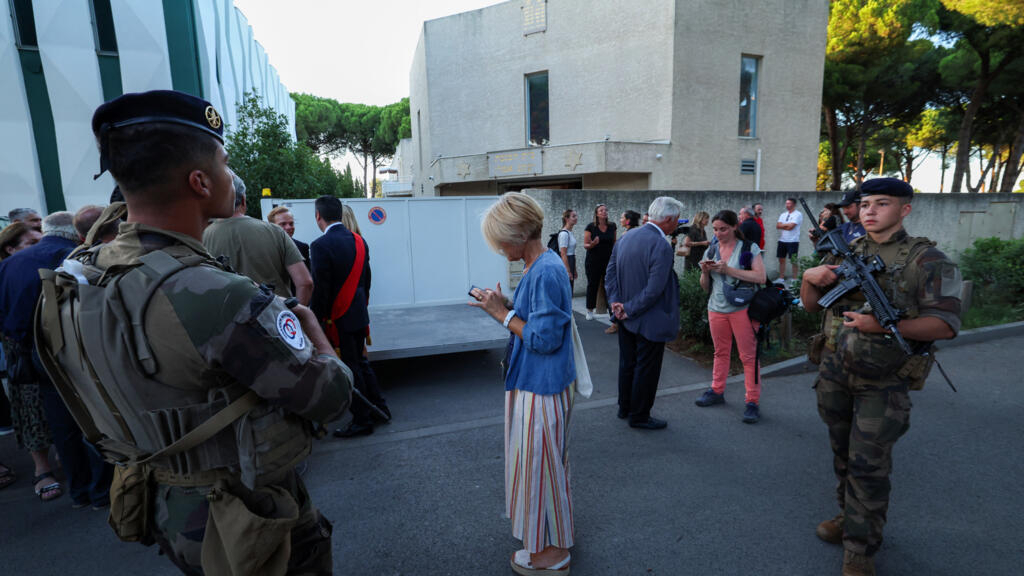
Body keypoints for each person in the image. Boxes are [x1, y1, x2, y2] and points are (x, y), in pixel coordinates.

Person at [35, 90, 353, 575]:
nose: (230, 175)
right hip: (248, 516)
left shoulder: (78, 277)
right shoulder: (216, 294)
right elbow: (330, 397)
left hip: (162, 505)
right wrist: (314, 334)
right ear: (200, 181)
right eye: (224, 163)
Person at [800, 178, 962, 576]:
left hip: (883, 382)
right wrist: (809, 278)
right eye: (866, 203)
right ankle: (847, 518)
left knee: (868, 466)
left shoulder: (928, 260)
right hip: (835, 373)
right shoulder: (850, 249)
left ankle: (861, 549)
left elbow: (945, 325)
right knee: (842, 456)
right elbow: (812, 307)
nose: (870, 210)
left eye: (882, 204)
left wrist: (886, 327)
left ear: (904, 209)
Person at [468, 192, 575, 575]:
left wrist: (501, 313)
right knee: (542, 467)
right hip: (536, 383)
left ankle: (553, 554)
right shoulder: (539, 263)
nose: (497, 247)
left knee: (541, 469)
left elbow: (545, 339)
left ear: (518, 234)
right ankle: (547, 542)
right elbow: (537, 320)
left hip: (540, 386)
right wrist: (506, 305)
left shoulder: (544, 269)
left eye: (499, 239)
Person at [311, 196, 390, 438]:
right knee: (362, 364)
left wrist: (317, 320)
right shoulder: (359, 241)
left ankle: (362, 420)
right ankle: (379, 408)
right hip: (357, 313)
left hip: (337, 319)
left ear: (318, 217)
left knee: (350, 367)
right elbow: (367, 281)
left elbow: (321, 290)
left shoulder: (320, 246)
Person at [605, 196, 682, 430]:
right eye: (677, 220)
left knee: (627, 363)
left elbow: (610, 275)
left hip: (625, 317)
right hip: (648, 317)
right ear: (668, 219)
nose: (678, 224)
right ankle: (639, 415)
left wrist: (616, 304)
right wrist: (627, 308)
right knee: (646, 369)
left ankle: (625, 407)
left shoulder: (627, 237)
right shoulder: (661, 245)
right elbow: (655, 289)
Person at [693, 210, 767, 423]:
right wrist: (705, 272)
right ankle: (716, 391)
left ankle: (752, 401)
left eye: (723, 229)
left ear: (735, 226)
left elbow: (760, 277)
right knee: (720, 352)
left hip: (742, 309)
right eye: (715, 229)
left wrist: (728, 270)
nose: (718, 233)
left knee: (748, 357)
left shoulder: (748, 247)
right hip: (716, 308)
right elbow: (705, 286)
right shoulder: (712, 248)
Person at [203, 175, 313, 304]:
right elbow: (305, 283)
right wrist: (295, 317)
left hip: (227, 319)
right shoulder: (276, 232)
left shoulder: (201, 238)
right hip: (275, 317)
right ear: (243, 200)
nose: (288, 227)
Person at [582, 203, 616, 321]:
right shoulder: (591, 227)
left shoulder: (612, 226)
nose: (604, 212)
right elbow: (585, 245)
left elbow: (614, 243)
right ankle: (589, 310)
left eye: (606, 210)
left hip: (608, 261)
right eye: (601, 210)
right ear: (596, 213)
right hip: (593, 261)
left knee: (610, 286)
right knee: (593, 285)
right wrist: (592, 244)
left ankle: (612, 312)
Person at [776, 197, 803, 282]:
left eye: (789, 203)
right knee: (781, 259)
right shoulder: (783, 214)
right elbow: (778, 226)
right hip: (782, 240)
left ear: (794, 204)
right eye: (786, 203)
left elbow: (791, 227)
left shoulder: (798, 214)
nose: (787, 205)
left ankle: (795, 279)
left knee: (793, 260)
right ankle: (781, 277)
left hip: (793, 241)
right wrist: (786, 225)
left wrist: (783, 225)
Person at [556, 209, 579, 290]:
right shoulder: (564, 234)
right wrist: (568, 271)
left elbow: (572, 252)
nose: (576, 218)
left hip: (571, 260)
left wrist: (574, 269)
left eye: (576, 216)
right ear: (567, 218)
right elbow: (563, 253)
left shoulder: (570, 232)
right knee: (567, 289)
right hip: (566, 262)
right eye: (573, 216)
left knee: (570, 288)